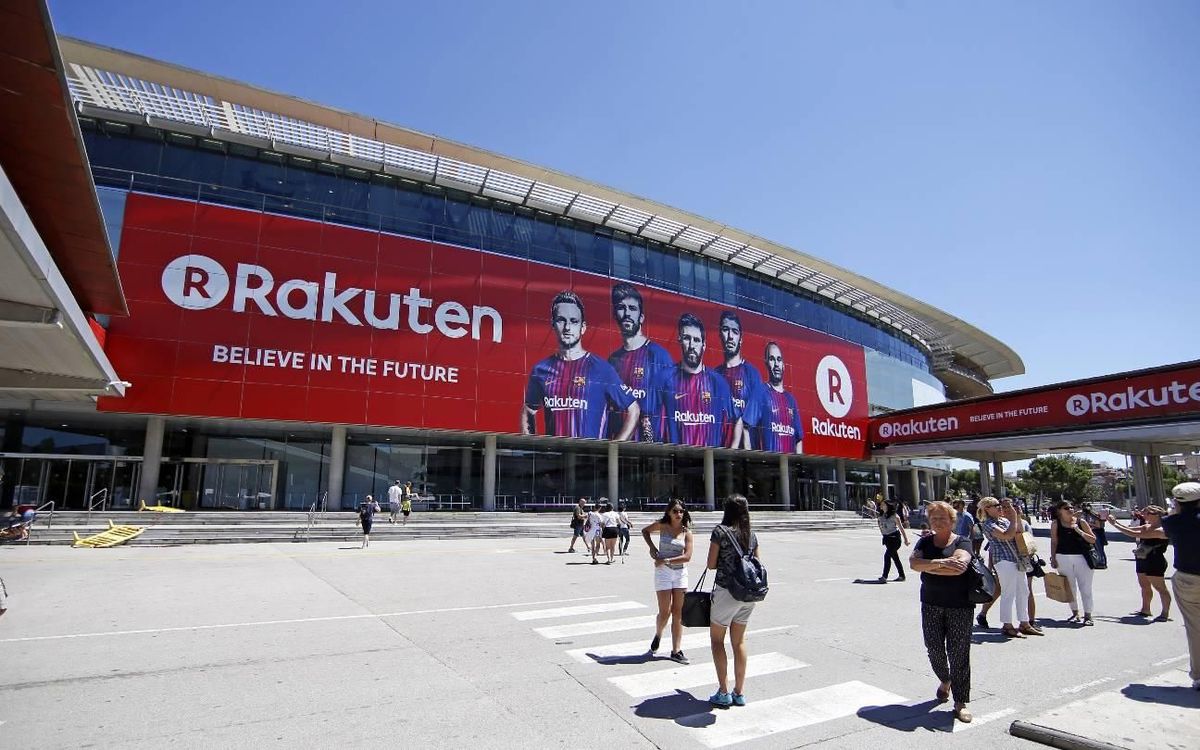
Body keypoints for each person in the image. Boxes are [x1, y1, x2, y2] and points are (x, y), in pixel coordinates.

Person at [522, 291, 640, 440]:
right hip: (554, 459)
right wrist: (532, 447)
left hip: (591, 461)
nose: (567, 327)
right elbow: (528, 411)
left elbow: (633, 409)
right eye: (561, 320)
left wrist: (614, 449)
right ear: (553, 324)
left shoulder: (601, 369)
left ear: (583, 327)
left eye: (573, 321)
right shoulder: (541, 370)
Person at [909, 500, 974, 723]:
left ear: (952, 520)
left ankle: (960, 701)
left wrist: (929, 565)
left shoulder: (963, 541)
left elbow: (959, 568)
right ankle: (945, 680)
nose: (937, 522)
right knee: (933, 648)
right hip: (930, 602)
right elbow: (913, 564)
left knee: (958, 653)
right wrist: (942, 563)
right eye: (934, 518)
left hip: (959, 605)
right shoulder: (925, 541)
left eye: (942, 518)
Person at [657, 313, 744, 448]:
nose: (692, 345)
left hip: (710, 464)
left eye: (696, 340)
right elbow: (648, 417)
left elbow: (737, 419)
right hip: (675, 463)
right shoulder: (664, 378)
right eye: (687, 338)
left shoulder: (718, 383)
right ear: (679, 340)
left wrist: (731, 453)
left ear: (704, 345)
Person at [706, 494, 760, 707]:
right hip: (748, 594)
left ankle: (724, 691)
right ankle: (739, 692)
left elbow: (711, 564)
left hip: (727, 591)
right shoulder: (752, 535)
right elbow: (757, 564)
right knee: (739, 642)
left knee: (717, 640)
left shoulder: (720, 532)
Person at [607, 283, 674, 441]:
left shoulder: (660, 357)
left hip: (652, 451)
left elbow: (673, 408)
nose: (627, 313)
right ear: (615, 314)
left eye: (632, 308)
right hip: (619, 447)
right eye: (621, 308)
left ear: (641, 317)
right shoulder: (612, 360)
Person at [978, 497, 1043, 637]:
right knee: (1008, 593)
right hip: (1003, 560)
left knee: (1023, 591)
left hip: (1016, 559)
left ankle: (1024, 623)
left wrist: (1017, 516)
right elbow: (1006, 535)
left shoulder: (1004, 520)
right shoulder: (988, 524)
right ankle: (1007, 625)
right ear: (987, 509)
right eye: (996, 505)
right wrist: (1013, 518)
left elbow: (1019, 531)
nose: (1000, 507)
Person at [641, 498, 693, 664]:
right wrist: (652, 548)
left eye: (681, 511)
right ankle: (658, 634)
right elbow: (645, 531)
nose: (678, 514)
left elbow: (687, 557)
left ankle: (676, 650)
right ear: (669, 512)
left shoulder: (687, 532)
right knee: (665, 612)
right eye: (675, 511)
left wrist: (665, 560)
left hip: (680, 574)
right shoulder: (662, 526)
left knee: (678, 613)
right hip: (663, 573)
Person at [1161, 482, 1200, 691]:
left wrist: (1175, 509)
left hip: (1188, 578)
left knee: (1195, 629)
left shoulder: (1172, 522)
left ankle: (1199, 675)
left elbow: (1169, 520)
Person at [1108, 505, 1172, 621]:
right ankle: (1145, 609)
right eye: (1144, 512)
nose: (1144, 515)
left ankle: (1165, 612)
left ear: (1157, 515)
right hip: (1142, 558)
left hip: (1155, 560)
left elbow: (1134, 534)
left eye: (1147, 513)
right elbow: (1132, 530)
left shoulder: (1162, 530)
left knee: (1160, 588)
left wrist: (1114, 524)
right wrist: (1115, 522)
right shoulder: (1147, 526)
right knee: (1144, 586)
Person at [714, 311, 764, 449]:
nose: (730, 336)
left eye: (734, 332)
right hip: (719, 452)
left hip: (747, 454)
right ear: (720, 335)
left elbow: (758, 417)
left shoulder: (752, 374)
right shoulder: (714, 375)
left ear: (741, 338)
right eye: (725, 330)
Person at [1049, 501, 1097, 625]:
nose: (1070, 509)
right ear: (1060, 511)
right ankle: (1075, 613)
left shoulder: (1081, 522)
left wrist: (1078, 530)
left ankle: (1088, 615)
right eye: (1066, 508)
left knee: (1085, 587)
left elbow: (1093, 539)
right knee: (1069, 587)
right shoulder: (1056, 524)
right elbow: (1054, 541)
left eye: (1071, 507)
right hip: (1063, 557)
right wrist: (1053, 558)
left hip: (1082, 557)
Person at [757, 342, 804, 454]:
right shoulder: (760, 392)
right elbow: (746, 427)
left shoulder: (791, 400)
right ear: (767, 363)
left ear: (783, 365)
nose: (776, 364)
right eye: (772, 359)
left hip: (791, 466)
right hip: (767, 465)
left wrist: (799, 464)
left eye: (779, 359)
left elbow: (799, 439)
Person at [877, 498, 910, 582]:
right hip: (887, 539)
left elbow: (901, 528)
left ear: (888, 506)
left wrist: (906, 540)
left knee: (887, 556)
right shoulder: (880, 516)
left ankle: (884, 577)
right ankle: (902, 576)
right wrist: (883, 535)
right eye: (881, 505)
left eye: (883, 504)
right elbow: (881, 527)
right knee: (895, 557)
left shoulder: (894, 516)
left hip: (895, 538)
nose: (881, 506)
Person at [1081, 503, 1109, 569]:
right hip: (1094, 532)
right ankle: (1099, 561)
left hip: (1097, 533)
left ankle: (1102, 562)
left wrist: (1088, 524)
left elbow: (1098, 525)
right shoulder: (1086, 515)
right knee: (1096, 548)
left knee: (1099, 548)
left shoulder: (1094, 515)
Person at [599, 499, 619, 564]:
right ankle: (612, 558)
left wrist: (602, 528)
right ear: (612, 508)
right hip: (614, 529)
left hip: (608, 529)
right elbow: (618, 522)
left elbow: (602, 523)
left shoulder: (604, 514)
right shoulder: (615, 513)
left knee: (607, 546)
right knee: (613, 546)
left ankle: (608, 559)